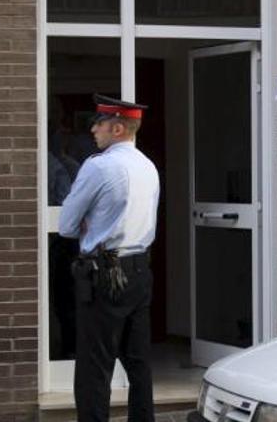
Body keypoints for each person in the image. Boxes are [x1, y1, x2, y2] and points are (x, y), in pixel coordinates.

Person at [58, 95, 160, 422]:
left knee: (94, 368)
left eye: (98, 123)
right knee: (139, 363)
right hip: (140, 269)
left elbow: (66, 225)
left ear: (117, 127)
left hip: (105, 274)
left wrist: (91, 222)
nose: (92, 129)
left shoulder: (98, 165)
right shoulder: (148, 166)